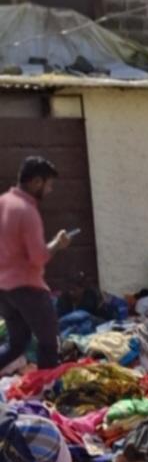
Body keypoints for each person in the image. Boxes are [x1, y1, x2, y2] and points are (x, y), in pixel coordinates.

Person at [0, 155, 70, 373]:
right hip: (28, 288)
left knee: (16, 344)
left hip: (4, 289)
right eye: (48, 184)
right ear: (37, 182)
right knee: (49, 343)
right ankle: (45, 388)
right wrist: (57, 243)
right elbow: (38, 257)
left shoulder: (3, 202)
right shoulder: (27, 211)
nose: (49, 190)